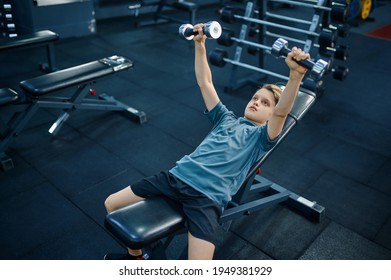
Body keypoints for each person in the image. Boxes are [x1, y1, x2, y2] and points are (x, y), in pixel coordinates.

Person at [104, 23, 310, 260]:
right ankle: (136, 257)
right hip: (174, 178)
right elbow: (206, 83)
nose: (256, 103)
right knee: (111, 204)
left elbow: (282, 113)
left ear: (270, 117)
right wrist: (200, 45)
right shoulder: (225, 119)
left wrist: (295, 77)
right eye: (255, 98)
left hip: (205, 199)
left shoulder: (262, 137)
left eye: (265, 104)